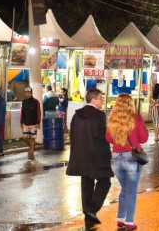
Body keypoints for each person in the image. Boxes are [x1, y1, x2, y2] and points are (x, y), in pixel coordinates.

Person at [67, 88, 113, 229]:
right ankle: (91, 209)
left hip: (81, 156)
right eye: (101, 98)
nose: (102, 101)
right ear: (94, 99)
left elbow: (72, 135)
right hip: (97, 156)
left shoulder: (77, 115)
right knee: (105, 182)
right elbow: (101, 137)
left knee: (86, 185)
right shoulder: (99, 116)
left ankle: (89, 220)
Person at [106, 93, 148, 231]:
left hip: (116, 158)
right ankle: (129, 221)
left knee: (125, 189)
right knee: (131, 191)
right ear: (131, 104)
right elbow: (144, 138)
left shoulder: (112, 119)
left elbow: (109, 139)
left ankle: (120, 219)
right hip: (132, 158)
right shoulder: (136, 118)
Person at [20, 87, 41, 160]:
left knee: (32, 138)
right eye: (26, 93)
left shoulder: (36, 101)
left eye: (29, 93)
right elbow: (22, 112)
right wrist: (21, 122)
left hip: (34, 123)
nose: (27, 94)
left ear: (31, 93)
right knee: (24, 138)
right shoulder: (24, 101)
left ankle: (31, 153)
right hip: (26, 123)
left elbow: (39, 112)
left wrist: (38, 122)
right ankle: (30, 147)